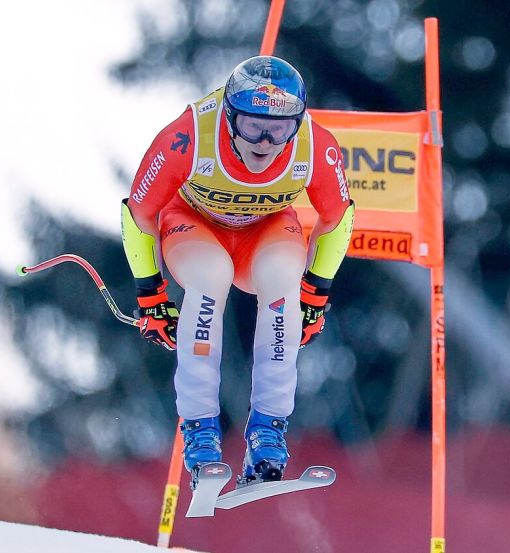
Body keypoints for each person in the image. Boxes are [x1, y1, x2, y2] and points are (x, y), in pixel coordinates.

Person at [120, 55, 353, 483]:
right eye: (252, 126)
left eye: (279, 130)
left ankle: (269, 430)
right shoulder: (189, 135)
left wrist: (315, 293)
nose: (264, 142)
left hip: (264, 230)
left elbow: (338, 218)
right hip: (194, 225)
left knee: (283, 282)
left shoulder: (315, 146)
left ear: (297, 124)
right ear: (229, 117)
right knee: (210, 277)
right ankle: (200, 430)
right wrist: (150, 293)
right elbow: (139, 212)